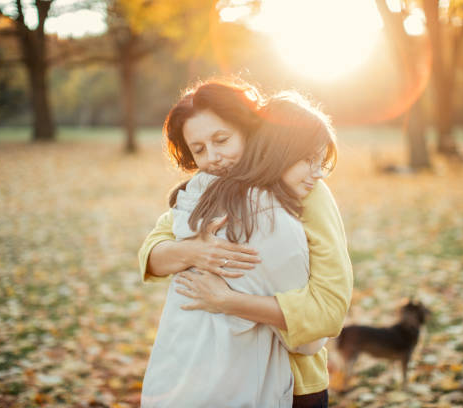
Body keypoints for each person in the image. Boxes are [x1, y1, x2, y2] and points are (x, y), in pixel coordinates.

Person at [138, 78, 353, 408]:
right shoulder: (208, 190)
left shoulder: (307, 191)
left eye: (222, 140)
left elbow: (328, 310)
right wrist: (195, 250)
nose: (214, 157)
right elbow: (151, 254)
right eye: (199, 150)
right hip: (222, 378)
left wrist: (228, 301)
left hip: (296, 383)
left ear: (249, 130)